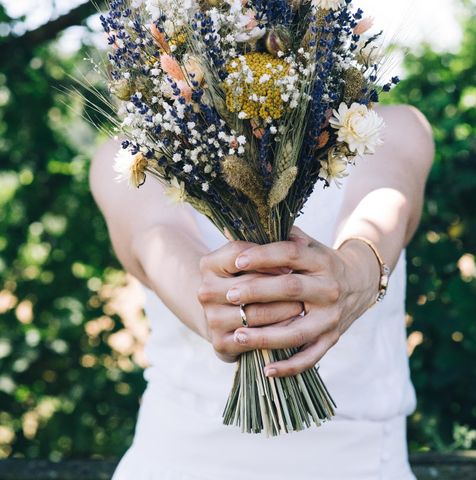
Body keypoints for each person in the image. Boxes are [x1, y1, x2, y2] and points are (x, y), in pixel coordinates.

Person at [90, 104, 434, 480]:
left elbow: (386, 205)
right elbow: (154, 238)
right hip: (180, 463)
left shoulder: (389, 126)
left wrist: (356, 272)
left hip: (361, 465)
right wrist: (210, 301)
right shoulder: (134, 152)